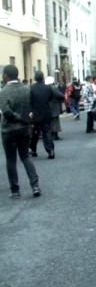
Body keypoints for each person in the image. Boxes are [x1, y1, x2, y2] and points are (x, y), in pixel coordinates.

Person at [0, 65, 41, 199]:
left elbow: (6, 112)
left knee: (11, 160)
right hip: (24, 129)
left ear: (6, 75)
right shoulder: (26, 89)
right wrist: (25, 119)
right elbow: (31, 107)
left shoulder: (3, 92)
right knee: (25, 157)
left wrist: (18, 118)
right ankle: (35, 185)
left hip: (8, 130)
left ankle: (15, 190)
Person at [29, 71, 62, 159]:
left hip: (35, 114)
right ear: (43, 78)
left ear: (35, 78)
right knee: (47, 132)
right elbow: (51, 98)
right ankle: (50, 150)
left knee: (34, 133)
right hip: (46, 113)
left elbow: (30, 101)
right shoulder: (48, 88)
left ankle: (33, 150)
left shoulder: (31, 88)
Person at [44, 76, 65, 140]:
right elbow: (60, 95)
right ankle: (55, 135)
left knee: (49, 122)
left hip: (47, 106)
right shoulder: (53, 88)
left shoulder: (45, 88)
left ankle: (50, 134)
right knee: (55, 121)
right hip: (54, 106)